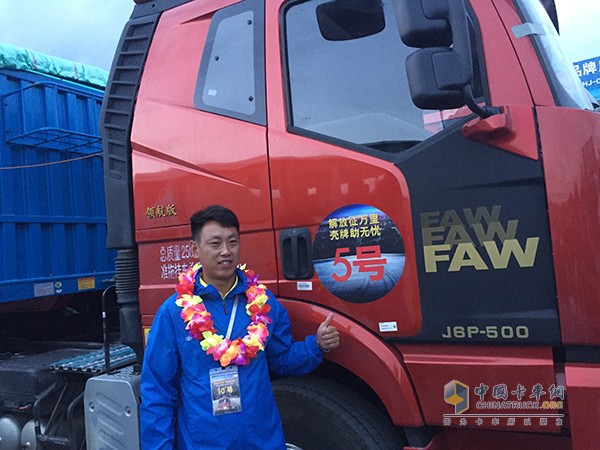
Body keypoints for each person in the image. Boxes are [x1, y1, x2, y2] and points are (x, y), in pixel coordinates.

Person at [140, 205, 340, 449]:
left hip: (262, 440)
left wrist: (316, 346)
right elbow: (158, 392)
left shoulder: (263, 303)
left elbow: (281, 359)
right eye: (215, 243)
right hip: (205, 444)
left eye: (232, 242)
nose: (226, 251)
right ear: (195, 249)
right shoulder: (174, 312)